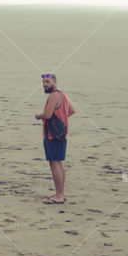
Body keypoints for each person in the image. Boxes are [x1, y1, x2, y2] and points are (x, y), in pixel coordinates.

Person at [34, 73, 74, 204]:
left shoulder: (53, 95)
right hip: (62, 134)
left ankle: (58, 196)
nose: (45, 84)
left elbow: (47, 115)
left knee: (54, 163)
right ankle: (60, 193)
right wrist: (61, 118)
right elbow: (71, 110)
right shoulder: (63, 95)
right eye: (43, 82)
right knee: (59, 163)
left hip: (52, 135)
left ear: (55, 82)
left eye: (47, 82)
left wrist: (38, 116)